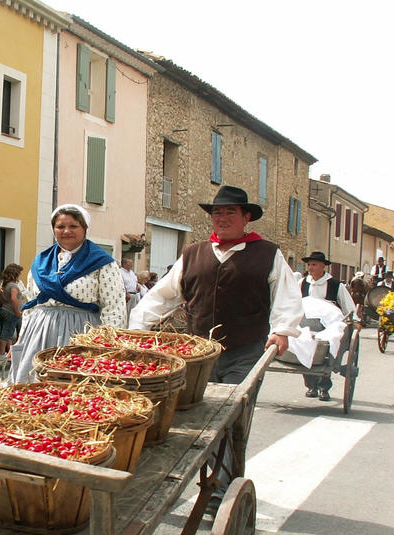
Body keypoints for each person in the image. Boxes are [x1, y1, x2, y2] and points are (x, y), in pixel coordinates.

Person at [129, 185, 302, 512]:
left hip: (245, 351)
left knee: (230, 420)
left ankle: (222, 491)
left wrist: (282, 330)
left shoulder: (268, 254)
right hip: (196, 357)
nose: (222, 218)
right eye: (217, 213)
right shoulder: (194, 253)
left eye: (230, 213)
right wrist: (138, 329)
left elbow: (286, 297)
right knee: (189, 419)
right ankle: (193, 481)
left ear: (246, 217)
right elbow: (162, 296)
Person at [9, 204, 125, 383]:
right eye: (60, 226)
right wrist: (21, 338)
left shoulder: (102, 262)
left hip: (81, 334)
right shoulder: (41, 262)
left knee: (73, 386)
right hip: (40, 332)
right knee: (34, 387)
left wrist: (108, 345)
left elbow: (114, 306)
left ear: (84, 228)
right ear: (53, 229)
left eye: (73, 226)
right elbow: (31, 305)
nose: (66, 231)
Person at [299, 251, 357, 400]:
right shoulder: (303, 283)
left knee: (327, 350)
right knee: (303, 345)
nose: (311, 267)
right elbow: (294, 301)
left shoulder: (335, 285)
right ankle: (311, 385)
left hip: (327, 322)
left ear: (323, 266)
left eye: (314, 264)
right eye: (309, 264)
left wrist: (354, 319)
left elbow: (347, 304)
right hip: (307, 322)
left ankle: (324, 387)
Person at [0, 263, 25, 361]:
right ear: (15, 274)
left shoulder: (5, 285)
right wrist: (17, 311)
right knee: (6, 333)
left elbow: (2, 299)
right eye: (19, 274)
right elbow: (14, 298)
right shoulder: (13, 286)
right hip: (11, 313)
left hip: (5, 310)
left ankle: (7, 353)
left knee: (8, 334)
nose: (19, 276)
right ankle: (1, 354)